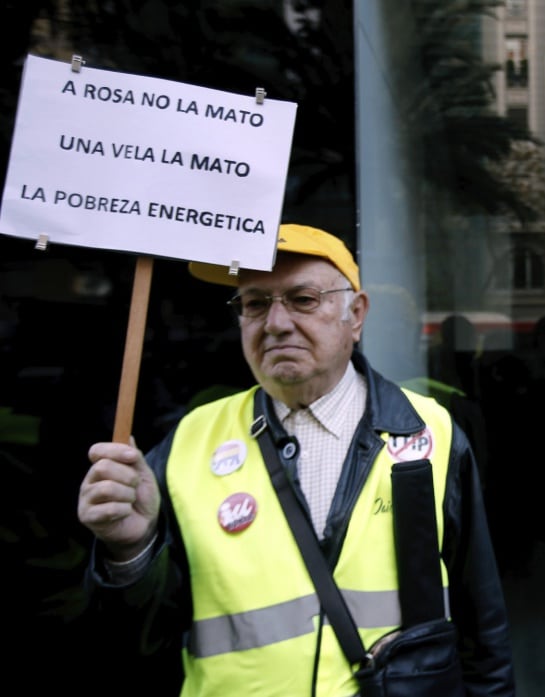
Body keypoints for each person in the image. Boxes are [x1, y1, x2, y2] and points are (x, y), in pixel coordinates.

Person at [77, 223, 515, 697]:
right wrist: (131, 552)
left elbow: (481, 627)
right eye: (255, 303)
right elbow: (136, 642)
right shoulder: (191, 441)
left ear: (357, 314)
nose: (276, 323)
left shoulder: (430, 433)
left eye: (303, 299)